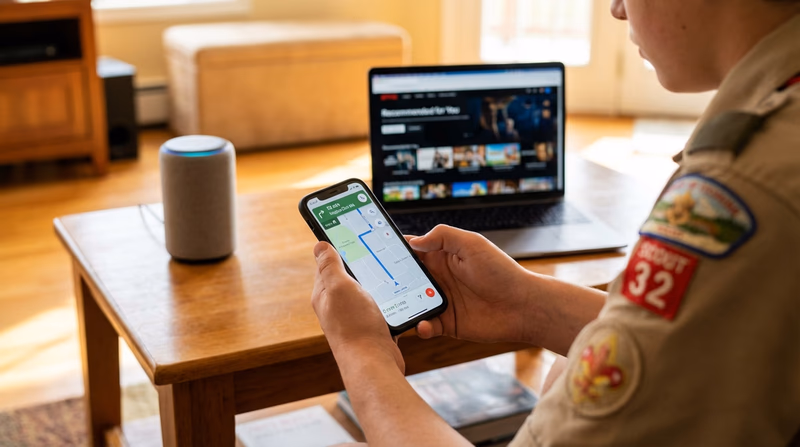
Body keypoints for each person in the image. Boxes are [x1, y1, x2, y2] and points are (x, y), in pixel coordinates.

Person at [309, 1, 800, 445]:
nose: (616, 10)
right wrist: (524, 302)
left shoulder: (746, 186)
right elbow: (706, 352)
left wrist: (361, 352)